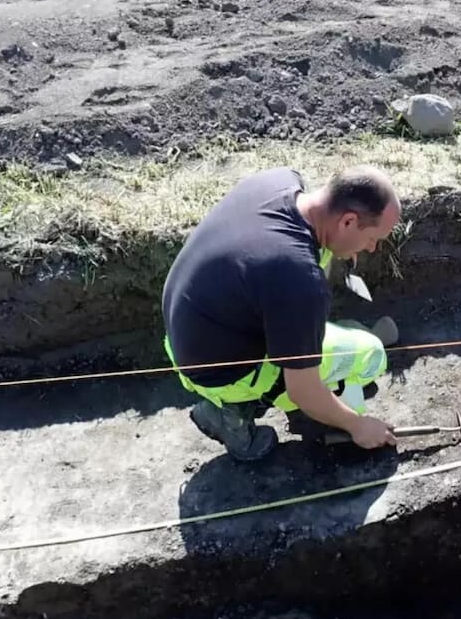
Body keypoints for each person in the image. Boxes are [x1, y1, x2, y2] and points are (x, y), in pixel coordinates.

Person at [160, 164, 402, 461]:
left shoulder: (279, 181)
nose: (373, 249)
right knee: (371, 355)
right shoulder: (298, 279)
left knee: (321, 263)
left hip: (185, 337)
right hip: (220, 373)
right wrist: (358, 425)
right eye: (373, 238)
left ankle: (299, 356)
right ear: (349, 221)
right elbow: (303, 390)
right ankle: (235, 413)